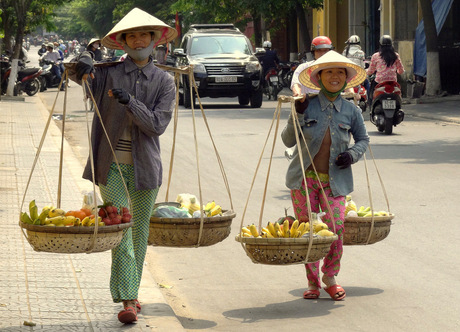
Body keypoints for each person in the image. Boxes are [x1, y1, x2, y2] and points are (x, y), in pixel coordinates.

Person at [71, 7, 177, 324]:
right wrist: (83, 64)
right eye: (131, 35)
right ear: (123, 41)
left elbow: (157, 125)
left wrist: (130, 102)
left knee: (139, 231)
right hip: (111, 165)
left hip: (147, 169)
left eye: (144, 34)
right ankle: (129, 299)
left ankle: (130, 293)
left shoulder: (165, 82)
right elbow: (79, 76)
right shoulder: (108, 73)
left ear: (155, 39)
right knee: (120, 229)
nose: (138, 39)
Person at [281, 50, 369, 301]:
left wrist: (352, 155)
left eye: (339, 72)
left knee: (336, 227)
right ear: (318, 78)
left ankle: (330, 277)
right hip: (304, 179)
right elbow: (288, 140)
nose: (334, 76)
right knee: (309, 231)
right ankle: (312, 282)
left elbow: (363, 139)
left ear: (345, 78)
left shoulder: (351, 111)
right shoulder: (305, 105)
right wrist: (296, 113)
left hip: (336, 180)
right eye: (328, 72)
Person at [285, 36, 334, 160]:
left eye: (326, 51)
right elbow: (296, 83)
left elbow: (346, 83)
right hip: (308, 107)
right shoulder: (303, 68)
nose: (323, 54)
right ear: (313, 52)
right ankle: (297, 152)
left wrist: (351, 93)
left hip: (331, 107)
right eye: (319, 51)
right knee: (303, 135)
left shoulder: (335, 68)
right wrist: (298, 93)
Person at [366, 35, 404, 104]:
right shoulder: (395, 55)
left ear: (380, 45)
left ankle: (370, 104)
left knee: (371, 90)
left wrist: (366, 72)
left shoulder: (376, 56)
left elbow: (370, 71)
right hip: (393, 81)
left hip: (379, 81)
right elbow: (401, 71)